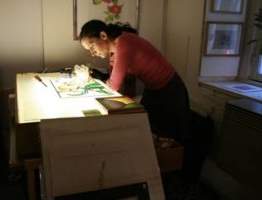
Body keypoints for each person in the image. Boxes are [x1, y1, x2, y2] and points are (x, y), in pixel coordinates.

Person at [79, 19, 190, 147]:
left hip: (170, 89)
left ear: (103, 36)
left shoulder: (124, 44)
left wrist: (92, 85)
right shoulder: (114, 51)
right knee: (149, 130)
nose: (92, 53)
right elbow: (113, 78)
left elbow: (113, 85)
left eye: (92, 46)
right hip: (154, 89)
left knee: (170, 139)